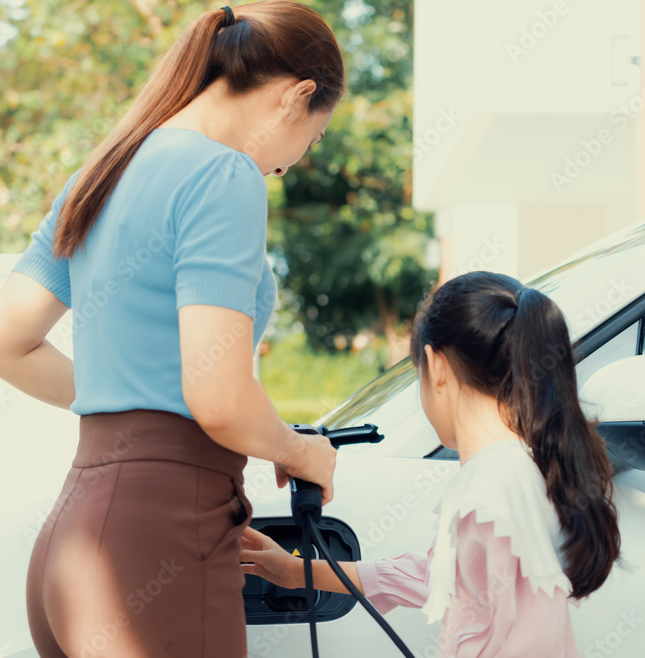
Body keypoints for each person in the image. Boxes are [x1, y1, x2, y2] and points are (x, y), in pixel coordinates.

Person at [0, 0, 345, 657]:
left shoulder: (104, 170)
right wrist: (300, 450)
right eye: (312, 139)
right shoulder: (224, 173)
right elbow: (220, 399)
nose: (292, 163)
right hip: (156, 541)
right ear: (297, 96)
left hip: (73, 543)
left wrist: (135, 400)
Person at [239, 271, 622, 657]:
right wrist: (297, 572)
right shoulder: (512, 472)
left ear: (435, 367)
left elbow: (526, 642)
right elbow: (441, 576)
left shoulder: (496, 486)